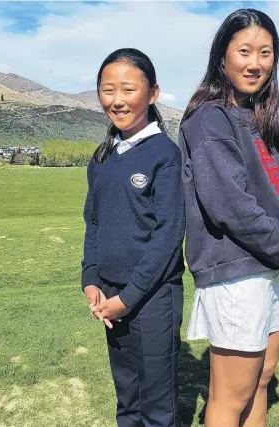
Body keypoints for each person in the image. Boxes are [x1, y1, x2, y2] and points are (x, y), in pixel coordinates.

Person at [178, 9, 279, 427]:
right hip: (235, 271)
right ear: (223, 56)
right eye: (244, 51)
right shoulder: (209, 119)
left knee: (262, 380)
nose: (255, 62)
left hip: (272, 267)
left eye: (266, 52)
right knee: (230, 395)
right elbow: (231, 207)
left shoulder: (265, 121)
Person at [81, 48, 185, 427]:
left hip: (153, 297)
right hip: (110, 295)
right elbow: (93, 222)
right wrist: (91, 277)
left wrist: (128, 298)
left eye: (128, 89)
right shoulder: (103, 158)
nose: (117, 100)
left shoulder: (165, 155)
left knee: (157, 405)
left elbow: (168, 235)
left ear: (153, 93)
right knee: (127, 397)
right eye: (108, 90)